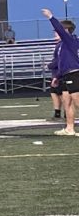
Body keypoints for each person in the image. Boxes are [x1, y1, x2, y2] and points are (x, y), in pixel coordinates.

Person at [43, 8, 78, 136]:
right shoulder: (61, 45)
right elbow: (60, 62)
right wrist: (56, 76)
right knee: (66, 102)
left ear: (65, 31)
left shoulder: (70, 40)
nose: (55, 33)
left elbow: (58, 27)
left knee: (77, 101)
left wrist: (50, 16)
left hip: (73, 73)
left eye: (58, 31)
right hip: (65, 75)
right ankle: (69, 128)